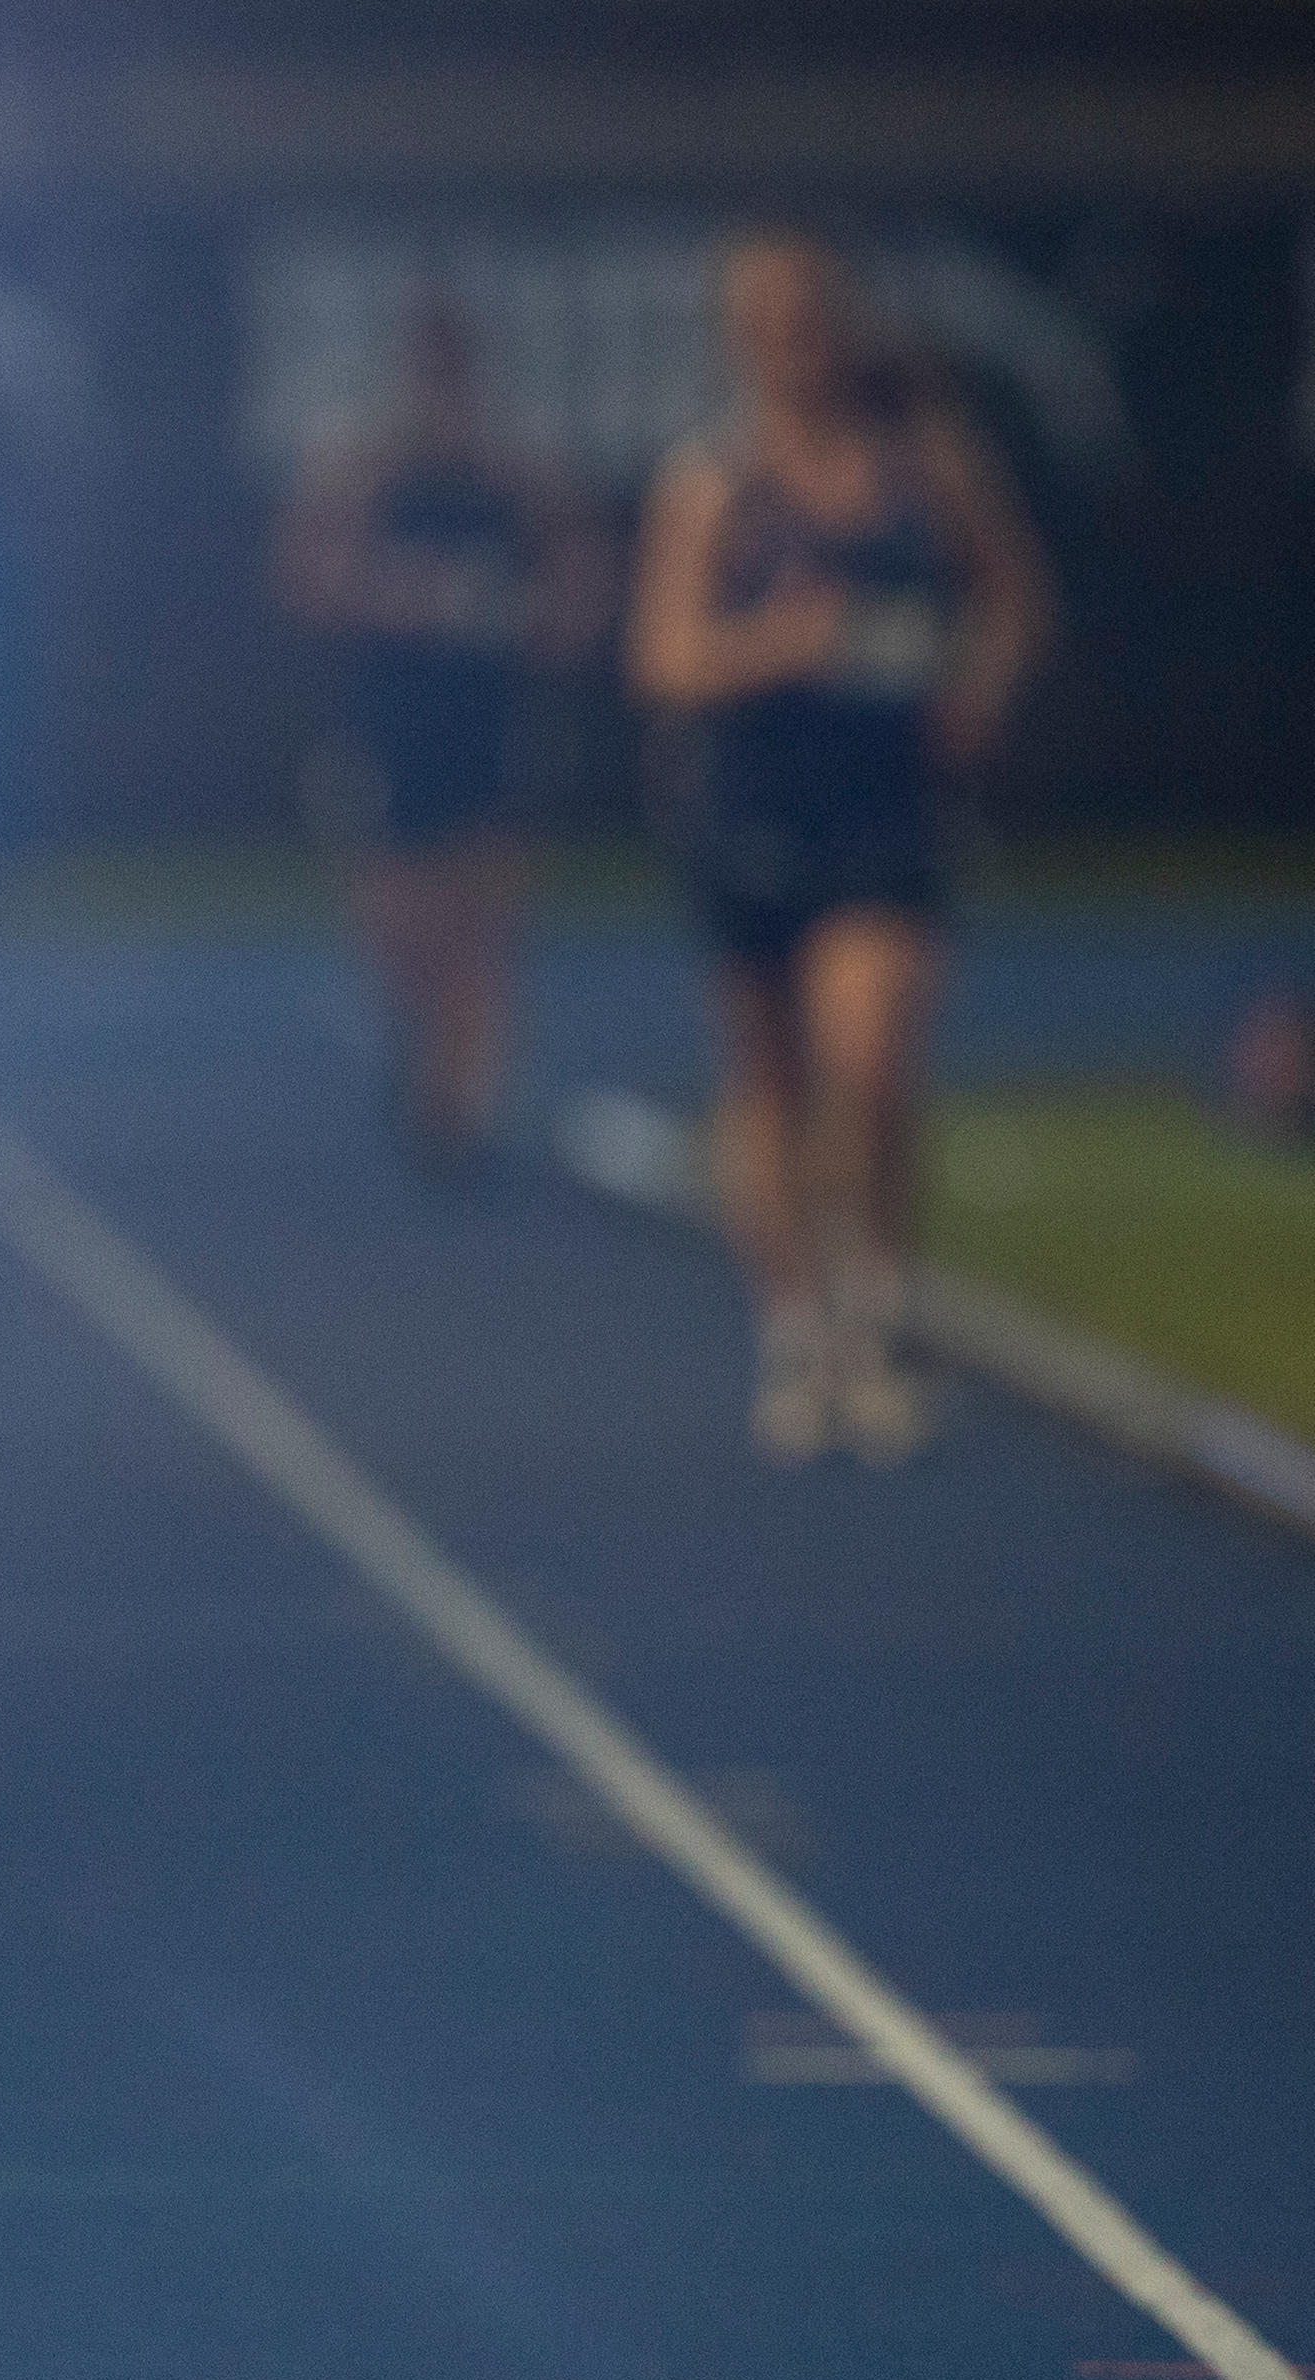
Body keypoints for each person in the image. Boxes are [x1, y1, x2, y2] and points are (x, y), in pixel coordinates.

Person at [628, 235, 1050, 1465]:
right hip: (752, 809)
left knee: (867, 1058)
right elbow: (663, 661)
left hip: (886, 809)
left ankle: (876, 1294)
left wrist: (977, 681)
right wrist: (783, 645)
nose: (791, 335)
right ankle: (791, 1323)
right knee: (763, 1079)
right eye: (762, 315)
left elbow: (1014, 600)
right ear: (733, 334)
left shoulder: (924, 466)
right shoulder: (710, 482)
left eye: (808, 310)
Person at [275, 291, 607, 1174]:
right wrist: (405, 596)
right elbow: (310, 580)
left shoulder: (517, 474)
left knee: (486, 922)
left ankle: (462, 1102)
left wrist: (518, 611)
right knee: (396, 925)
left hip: (491, 726)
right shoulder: (362, 466)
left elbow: (578, 594)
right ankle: (422, 1035)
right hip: (387, 729)